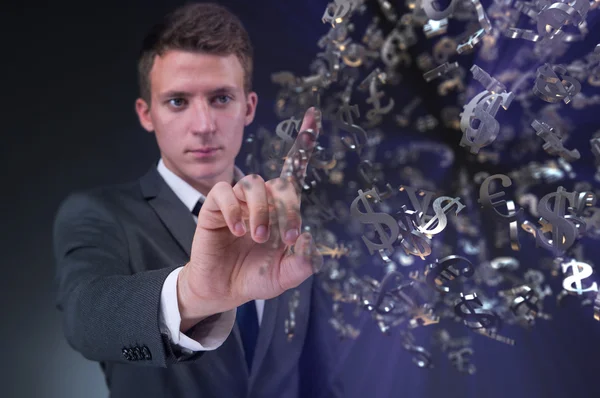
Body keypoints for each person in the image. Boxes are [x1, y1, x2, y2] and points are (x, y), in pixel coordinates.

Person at [52, 3, 331, 397]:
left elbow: (316, 373)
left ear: (248, 107)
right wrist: (193, 294)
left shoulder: (288, 221)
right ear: (146, 114)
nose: (203, 126)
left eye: (220, 98)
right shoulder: (100, 214)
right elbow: (86, 317)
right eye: (178, 102)